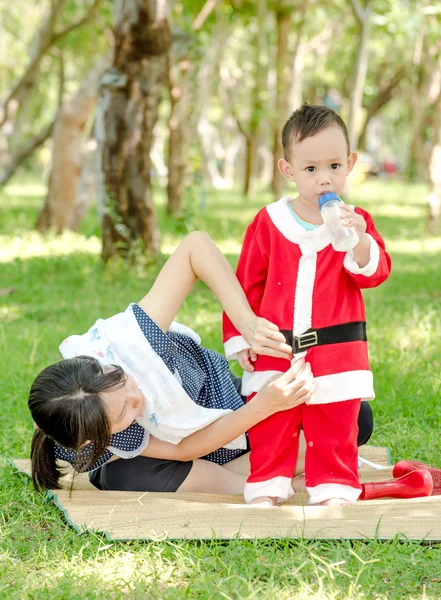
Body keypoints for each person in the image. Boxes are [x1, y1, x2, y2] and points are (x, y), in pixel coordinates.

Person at [28, 232, 374, 496]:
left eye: (124, 386)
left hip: (219, 404)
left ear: (105, 366)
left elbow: (195, 246)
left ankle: (269, 467)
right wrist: (264, 409)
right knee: (125, 475)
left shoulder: (132, 340)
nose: (137, 402)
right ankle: (250, 482)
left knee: (356, 417)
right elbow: (182, 449)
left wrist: (246, 322)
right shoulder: (97, 436)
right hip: (187, 458)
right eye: (123, 414)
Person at [223, 104, 392, 507]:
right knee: (272, 424)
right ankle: (267, 485)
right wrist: (240, 337)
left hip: (337, 352)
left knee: (335, 420)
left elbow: (374, 272)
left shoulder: (356, 221)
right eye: (311, 169)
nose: (324, 179)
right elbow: (245, 287)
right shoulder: (268, 222)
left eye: (334, 166)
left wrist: (361, 239)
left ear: (350, 164)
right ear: (288, 170)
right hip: (276, 349)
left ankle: (333, 488)